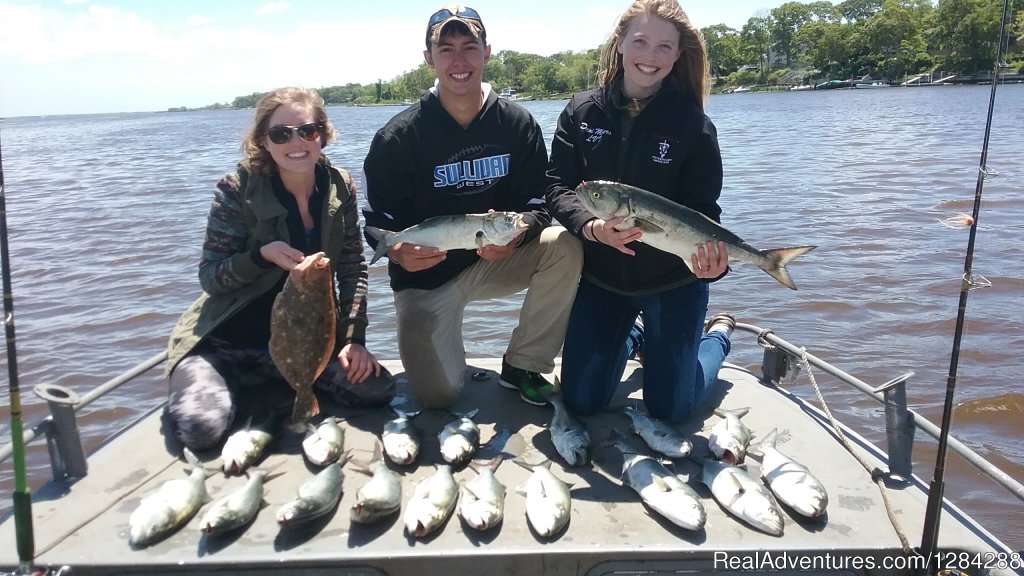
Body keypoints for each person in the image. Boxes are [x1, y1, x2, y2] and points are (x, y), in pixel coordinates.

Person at [362, 5, 583, 409]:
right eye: (446, 49)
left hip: (497, 256)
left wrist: (518, 237)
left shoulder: (517, 124)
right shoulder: (397, 137)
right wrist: (398, 251)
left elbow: (539, 203)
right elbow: (378, 222)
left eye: (470, 46)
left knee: (565, 243)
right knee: (439, 396)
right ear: (428, 58)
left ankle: (524, 366)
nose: (459, 60)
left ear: (487, 52)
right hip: (428, 277)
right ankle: (443, 353)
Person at [165, 87, 395, 452]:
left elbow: (353, 269)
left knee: (377, 389)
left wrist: (354, 340)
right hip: (226, 342)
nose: (296, 142)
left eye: (307, 130)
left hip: (308, 342)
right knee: (199, 430)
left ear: (323, 133)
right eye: (280, 134)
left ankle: (278, 387)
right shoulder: (235, 190)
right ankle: (229, 385)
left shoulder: (340, 185)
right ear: (263, 141)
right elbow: (211, 277)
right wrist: (261, 256)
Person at [546, 0, 735, 424]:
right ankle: (633, 336)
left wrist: (712, 265)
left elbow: (703, 211)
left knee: (670, 411)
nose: (650, 57)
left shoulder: (694, 125)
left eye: (664, 47)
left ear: (677, 56)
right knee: (580, 402)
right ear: (620, 44)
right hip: (603, 280)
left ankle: (718, 337)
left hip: (673, 283)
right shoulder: (580, 111)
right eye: (641, 42)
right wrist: (590, 227)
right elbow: (556, 187)